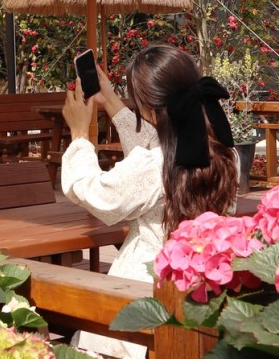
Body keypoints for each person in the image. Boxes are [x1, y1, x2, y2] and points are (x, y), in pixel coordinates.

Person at [60, 45, 239, 285]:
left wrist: (79, 135)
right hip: (201, 279)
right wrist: (111, 101)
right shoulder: (226, 154)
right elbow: (160, 142)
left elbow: (97, 194)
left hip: (145, 284)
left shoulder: (153, 166)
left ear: (150, 110)